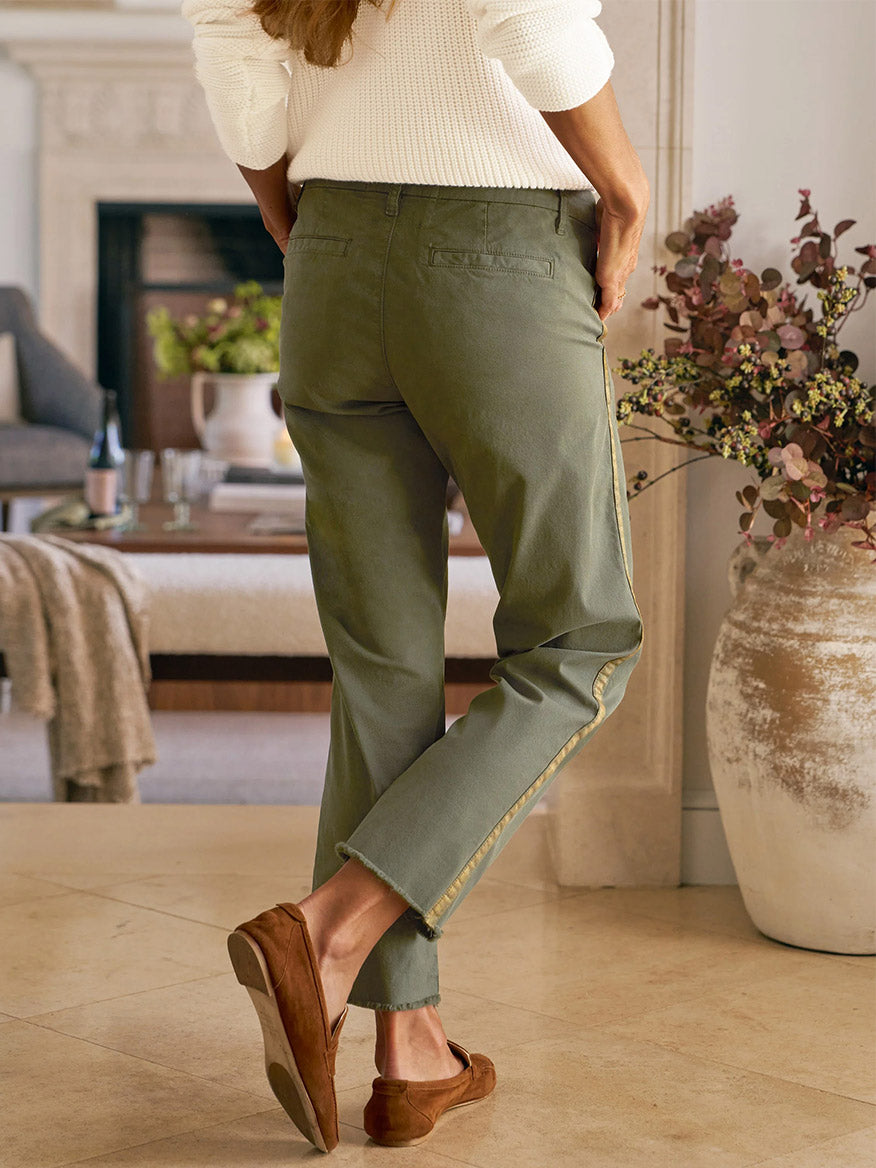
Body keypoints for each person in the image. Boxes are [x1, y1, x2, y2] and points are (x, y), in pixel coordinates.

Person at [182, 0, 648, 1153]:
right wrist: (627, 187)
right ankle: (325, 931)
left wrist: (288, 207)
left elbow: (230, 35)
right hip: (493, 251)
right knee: (581, 643)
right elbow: (523, 12)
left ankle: (409, 1048)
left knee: (382, 668)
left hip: (332, 253)